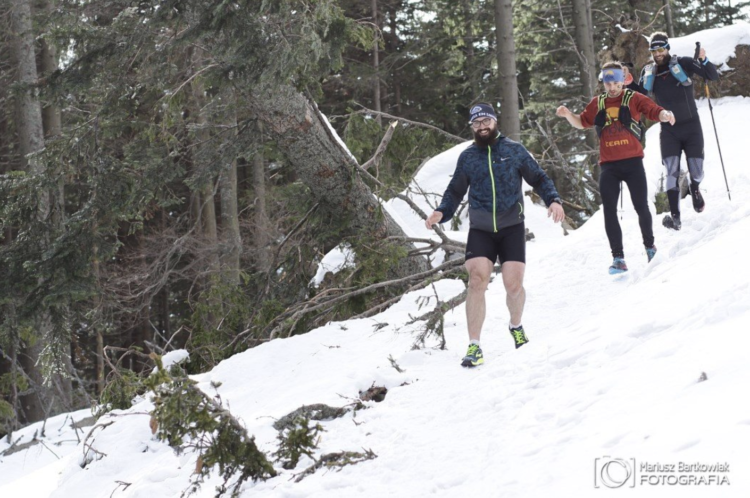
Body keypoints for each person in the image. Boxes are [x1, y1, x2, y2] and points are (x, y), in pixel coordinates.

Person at [425, 103, 565, 368]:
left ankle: (516, 326)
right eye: (477, 123)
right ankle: (474, 346)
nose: (482, 127)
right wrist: (441, 212)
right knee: (477, 280)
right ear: (472, 127)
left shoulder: (514, 150)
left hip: (512, 227)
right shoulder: (468, 157)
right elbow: (455, 191)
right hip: (481, 229)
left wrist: (553, 200)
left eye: (486, 121)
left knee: (513, 285)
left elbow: (538, 178)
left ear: (494, 121)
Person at [556, 61, 676, 274]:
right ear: (604, 82)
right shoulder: (598, 103)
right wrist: (567, 115)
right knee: (609, 211)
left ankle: (650, 247)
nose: (612, 87)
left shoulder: (634, 98)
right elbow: (582, 122)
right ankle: (618, 258)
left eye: (616, 83)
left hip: (633, 163)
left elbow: (653, 110)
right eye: (608, 83)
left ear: (623, 81)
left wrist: (665, 115)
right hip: (609, 166)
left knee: (641, 206)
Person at [638, 32, 719, 230]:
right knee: (671, 171)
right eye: (654, 51)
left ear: (667, 48)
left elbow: (712, 75)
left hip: (691, 127)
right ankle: (675, 217)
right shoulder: (649, 72)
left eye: (660, 49)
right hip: (669, 130)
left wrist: (703, 59)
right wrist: (627, 80)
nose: (657, 54)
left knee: (697, 171)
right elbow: (638, 96)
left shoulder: (683, 63)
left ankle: (694, 187)